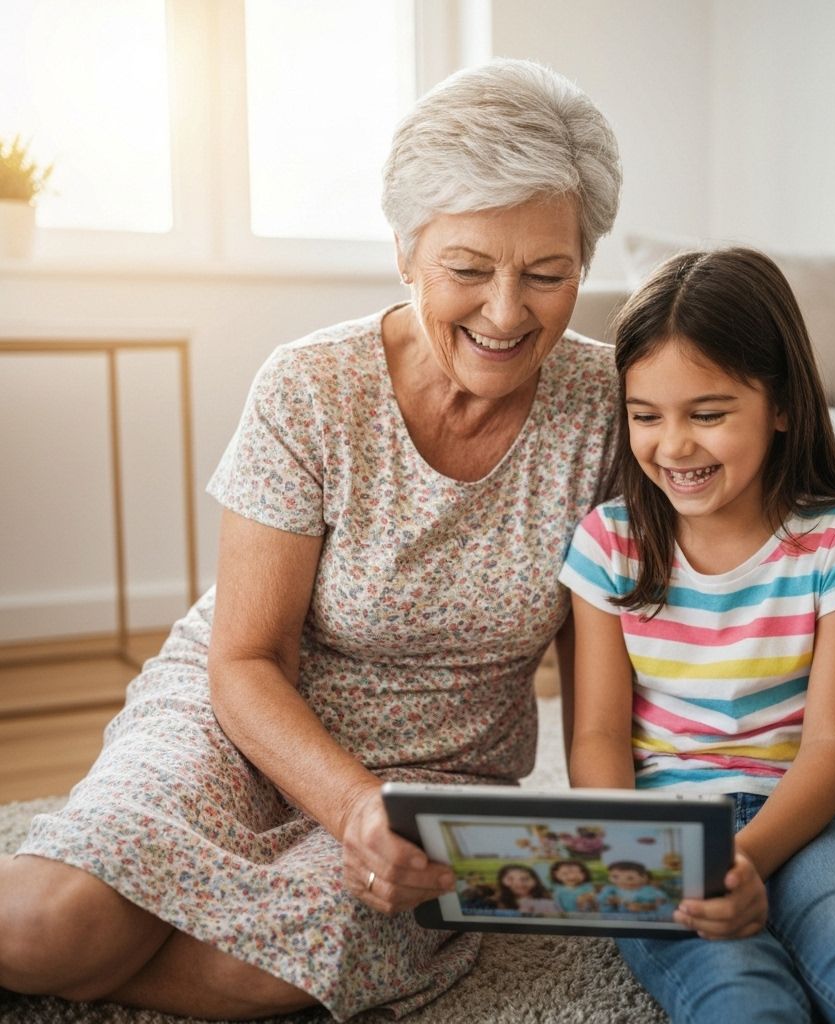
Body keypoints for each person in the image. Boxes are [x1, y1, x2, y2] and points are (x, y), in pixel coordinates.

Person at [0, 59, 621, 1021]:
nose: (508, 312)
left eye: (549, 274)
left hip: (443, 774)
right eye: (467, 269)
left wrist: (605, 858)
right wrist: (350, 808)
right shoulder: (310, 387)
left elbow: (599, 679)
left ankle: (118, 939)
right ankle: (91, 926)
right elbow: (247, 657)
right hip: (247, 716)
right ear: (407, 253)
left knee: (270, 971)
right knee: (53, 924)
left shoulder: (610, 410)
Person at [558, 249, 835, 1022]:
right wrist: (635, 856)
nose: (674, 446)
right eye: (646, 416)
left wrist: (747, 858)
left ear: (782, 405)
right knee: (738, 994)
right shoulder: (606, 541)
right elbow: (594, 733)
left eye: (709, 414)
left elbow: (832, 749)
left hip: (816, 815)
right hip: (667, 832)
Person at [595, 861, 670, 916]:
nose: (622, 881)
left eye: (630, 878)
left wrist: (646, 906)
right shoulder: (610, 890)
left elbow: (661, 904)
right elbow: (600, 902)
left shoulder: (650, 891)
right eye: (615, 877)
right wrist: (608, 902)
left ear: (644, 878)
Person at [494, 864, 559, 916]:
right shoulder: (496, 902)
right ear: (501, 881)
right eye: (510, 879)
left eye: (525, 878)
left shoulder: (548, 901)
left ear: (535, 881)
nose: (519, 883)